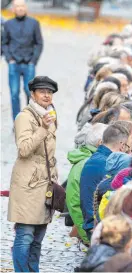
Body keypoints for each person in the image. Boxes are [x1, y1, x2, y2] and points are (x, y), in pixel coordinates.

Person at [8, 76, 58, 272]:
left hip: (45, 183)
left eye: (50, 92)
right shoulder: (25, 117)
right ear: (33, 94)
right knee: (25, 234)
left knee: (38, 236)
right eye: (42, 91)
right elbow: (24, 150)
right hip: (28, 184)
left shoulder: (51, 114)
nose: (46, 95)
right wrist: (43, 128)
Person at [80, 124, 132, 239]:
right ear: (122, 145)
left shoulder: (97, 158)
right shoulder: (110, 164)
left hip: (92, 221)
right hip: (98, 225)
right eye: (128, 146)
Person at [66, 123, 108, 245]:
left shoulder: (87, 158)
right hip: (89, 230)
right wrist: (87, 235)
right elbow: (77, 204)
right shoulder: (90, 163)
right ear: (100, 143)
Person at [2, 0, 43, 121]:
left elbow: (39, 43)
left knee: (29, 92)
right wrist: (9, 59)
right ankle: (17, 121)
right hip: (13, 64)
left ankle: (30, 119)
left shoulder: (34, 23)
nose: (20, 8)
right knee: (14, 94)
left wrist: (33, 60)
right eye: (17, 6)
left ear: (26, 8)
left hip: (29, 63)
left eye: (22, 6)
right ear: (13, 9)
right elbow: (4, 43)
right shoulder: (8, 24)